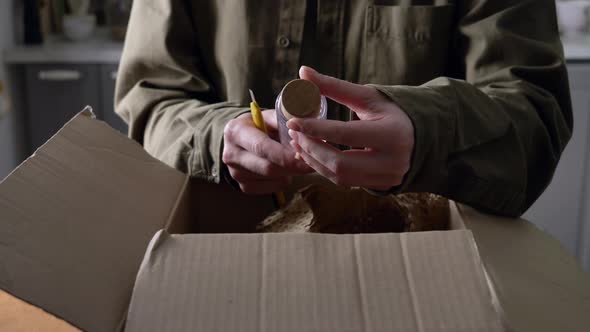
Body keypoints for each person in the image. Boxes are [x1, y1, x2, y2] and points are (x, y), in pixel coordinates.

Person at [115, 0, 572, 217]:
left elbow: (535, 115)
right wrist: (220, 137)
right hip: (228, 248)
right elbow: (152, 97)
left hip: (423, 265)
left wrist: (426, 135)